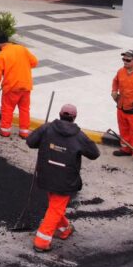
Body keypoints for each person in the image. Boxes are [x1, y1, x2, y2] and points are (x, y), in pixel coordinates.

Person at [25, 104, 100, 253]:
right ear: (74, 117)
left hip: (46, 174)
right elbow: (94, 153)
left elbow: (30, 142)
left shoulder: (47, 128)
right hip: (65, 180)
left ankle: (64, 229)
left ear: (60, 115)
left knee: (55, 206)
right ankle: (41, 241)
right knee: (55, 209)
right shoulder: (79, 136)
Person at [0, 33, 38, 138]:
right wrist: (22, 66)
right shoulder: (22, 49)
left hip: (11, 87)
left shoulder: (1, 56)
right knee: (24, 109)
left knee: (7, 109)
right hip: (26, 86)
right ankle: (24, 132)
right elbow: (34, 62)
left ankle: (5, 131)